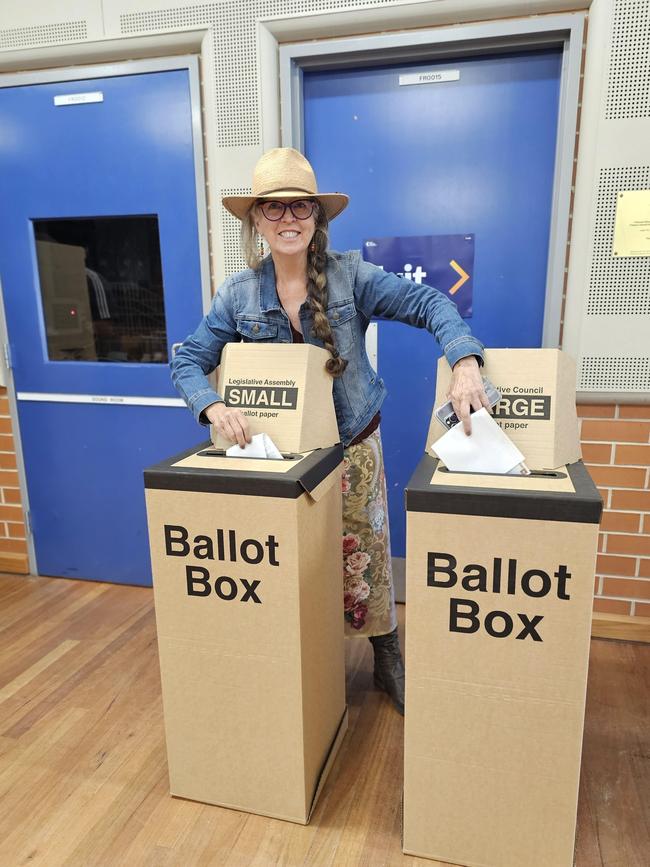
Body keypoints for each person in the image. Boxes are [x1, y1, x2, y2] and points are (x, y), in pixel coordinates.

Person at [171, 148, 489, 715]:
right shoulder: (237, 294)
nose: (288, 218)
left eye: (300, 207)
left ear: (317, 217)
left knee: (363, 549)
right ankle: (298, 662)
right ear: (256, 220)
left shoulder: (351, 276)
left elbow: (430, 303)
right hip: (283, 457)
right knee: (290, 559)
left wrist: (464, 361)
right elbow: (188, 359)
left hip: (351, 443)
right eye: (274, 208)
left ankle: (386, 655)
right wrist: (212, 408)